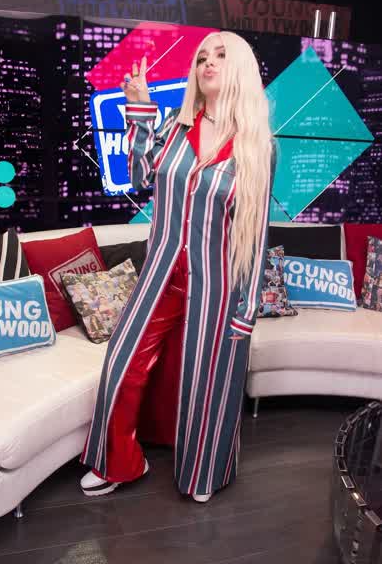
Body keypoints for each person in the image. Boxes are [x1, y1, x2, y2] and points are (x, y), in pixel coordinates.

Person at [80, 31, 276, 503]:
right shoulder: (174, 126)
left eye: (221, 55)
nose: (208, 63)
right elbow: (140, 176)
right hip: (159, 274)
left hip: (216, 283)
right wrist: (139, 108)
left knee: (207, 381)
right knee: (123, 362)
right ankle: (120, 463)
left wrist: (247, 309)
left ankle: (202, 474)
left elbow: (255, 235)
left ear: (240, 67)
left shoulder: (258, 147)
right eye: (202, 57)